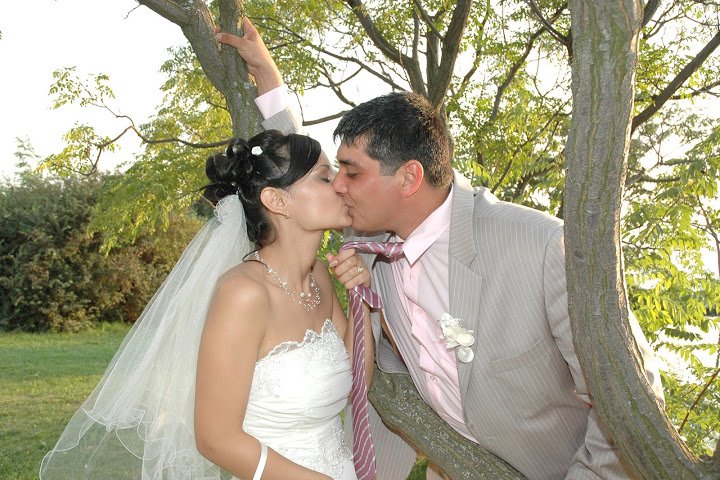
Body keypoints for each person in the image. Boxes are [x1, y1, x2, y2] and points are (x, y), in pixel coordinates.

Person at [215, 18, 665, 480]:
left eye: (351, 173)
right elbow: (298, 186)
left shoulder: (541, 247)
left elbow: (628, 397)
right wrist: (268, 79)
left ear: (409, 178)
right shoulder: (367, 239)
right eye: (335, 175)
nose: (338, 186)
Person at [39, 129, 372, 480]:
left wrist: (360, 296)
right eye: (324, 177)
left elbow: (357, 385)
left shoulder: (319, 276)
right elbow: (215, 440)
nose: (341, 185)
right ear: (277, 200)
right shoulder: (243, 293)